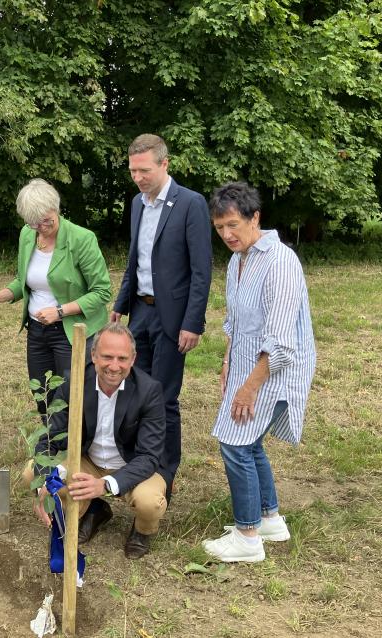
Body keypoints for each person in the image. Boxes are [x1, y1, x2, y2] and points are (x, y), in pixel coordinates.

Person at [201, 182, 316, 563]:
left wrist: (249, 388)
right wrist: (227, 366)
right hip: (247, 363)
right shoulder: (239, 259)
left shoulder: (279, 262)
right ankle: (270, 519)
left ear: (255, 218)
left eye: (233, 225)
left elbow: (281, 342)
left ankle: (248, 536)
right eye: (220, 228)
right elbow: (235, 322)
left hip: (275, 368)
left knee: (234, 442)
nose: (227, 235)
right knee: (249, 442)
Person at [111, 134, 212, 488]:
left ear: (164, 164)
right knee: (134, 390)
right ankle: (137, 462)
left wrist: (192, 323)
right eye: (133, 171)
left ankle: (164, 475)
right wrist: (120, 305)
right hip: (140, 312)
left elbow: (202, 270)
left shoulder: (190, 204)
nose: (138, 177)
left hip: (173, 319)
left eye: (144, 170)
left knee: (165, 398)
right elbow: (134, 261)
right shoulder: (138, 204)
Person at [24, 323, 168, 559]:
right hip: (88, 461)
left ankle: (142, 531)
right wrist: (45, 481)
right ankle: (95, 509)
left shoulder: (149, 391)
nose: (114, 366)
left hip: (131, 465)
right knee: (32, 472)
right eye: (107, 357)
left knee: (149, 502)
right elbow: (49, 438)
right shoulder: (74, 382)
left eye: (122, 358)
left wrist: (104, 484)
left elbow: (149, 457)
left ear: (133, 359)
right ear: (93, 355)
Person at [0, 178, 110, 417]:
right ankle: (51, 449)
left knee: (70, 396)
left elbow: (102, 291)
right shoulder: (27, 236)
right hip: (37, 332)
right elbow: (24, 280)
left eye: (46, 221)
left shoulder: (81, 239)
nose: (41, 227)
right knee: (41, 393)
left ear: (56, 209)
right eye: (33, 223)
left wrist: (60, 311)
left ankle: (77, 451)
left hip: (71, 332)